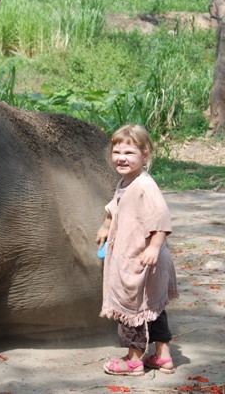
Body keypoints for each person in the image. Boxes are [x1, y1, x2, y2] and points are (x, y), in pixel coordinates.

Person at [96, 124, 178, 376]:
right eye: (117, 151)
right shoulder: (126, 182)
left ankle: (132, 361)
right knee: (152, 308)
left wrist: (154, 247)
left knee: (130, 311)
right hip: (136, 258)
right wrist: (106, 226)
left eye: (129, 153)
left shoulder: (144, 186)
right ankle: (163, 357)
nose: (121, 157)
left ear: (145, 156)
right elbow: (115, 206)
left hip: (142, 259)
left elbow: (161, 221)